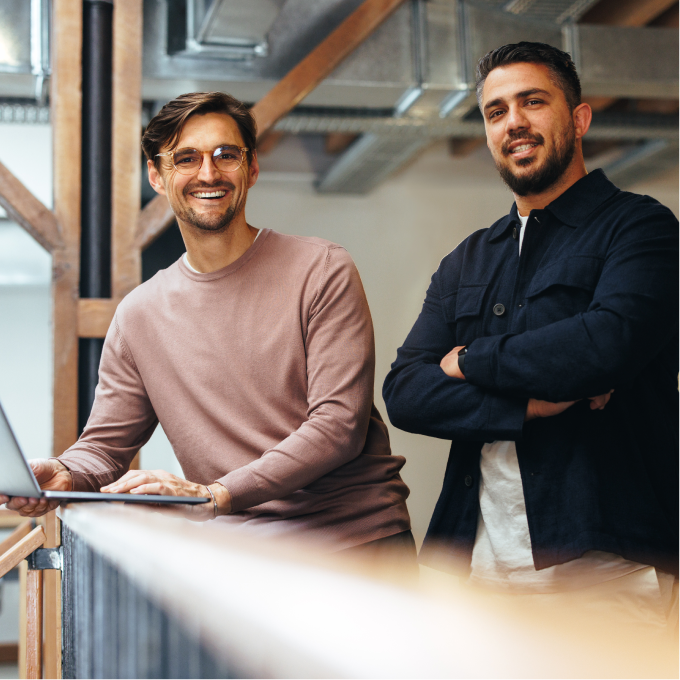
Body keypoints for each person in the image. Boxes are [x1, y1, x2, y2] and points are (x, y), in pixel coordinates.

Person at [3, 92, 414, 566]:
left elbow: (338, 427)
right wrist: (63, 474)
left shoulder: (322, 269)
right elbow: (104, 448)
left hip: (356, 544)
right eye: (186, 158)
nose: (208, 173)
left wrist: (215, 494)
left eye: (226, 154)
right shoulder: (139, 314)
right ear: (157, 176)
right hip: (238, 557)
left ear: (252, 168)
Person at [383, 42, 680, 621]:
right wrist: (527, 408)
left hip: (607, 570)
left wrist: (467, 359)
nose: (513, 122)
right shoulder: (467, 259)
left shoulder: (641, 228)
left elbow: (604, 347)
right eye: (496, 112)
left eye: (532, 102)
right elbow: (405, 392)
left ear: (578, 118)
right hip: (470, 569)